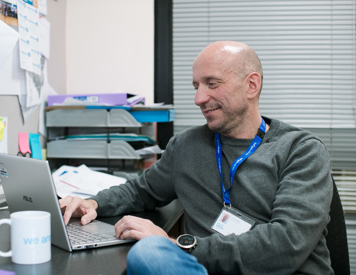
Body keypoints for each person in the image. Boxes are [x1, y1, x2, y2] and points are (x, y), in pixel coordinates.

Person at [59, 41, 333, 274]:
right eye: (196, 86)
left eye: (212, 84)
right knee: (148, 254)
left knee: (152, 253)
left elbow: (287, 245)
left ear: (251, 85)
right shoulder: (186, 146)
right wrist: (92, 202)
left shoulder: (301, 151)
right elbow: (140, 191)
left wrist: (176, 244)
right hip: (205, 269)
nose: (199, 98)